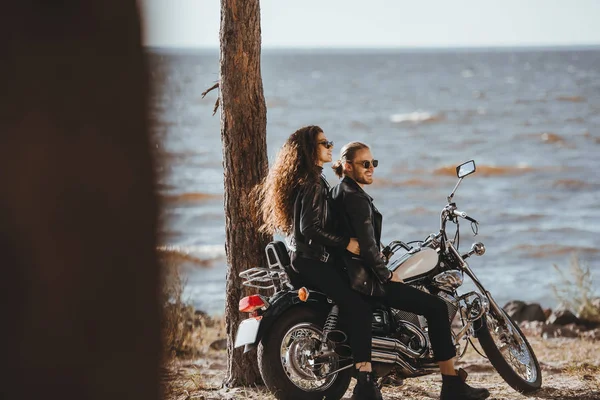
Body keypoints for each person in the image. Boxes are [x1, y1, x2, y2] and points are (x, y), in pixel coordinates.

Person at [330, 142, 491, 400]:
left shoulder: (339, 191)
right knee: (436, 308)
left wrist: (382, 256)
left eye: (374, 163)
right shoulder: (356, 198)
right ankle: (451, 384)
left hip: (350, 274)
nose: (371, 168)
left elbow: (360, 240)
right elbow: (367, 245)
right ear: (348, 166)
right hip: (365, 279)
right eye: (365, 164)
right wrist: (385, 273)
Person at [256, 126, 385, 400]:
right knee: (359, 308)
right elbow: (310, 228)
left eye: (329, 142)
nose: (329, 147)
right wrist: (346, 243)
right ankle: (364, 383)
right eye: (323, 143)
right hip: (311, 262)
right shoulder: (313, 183)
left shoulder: (312, 179)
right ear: (309, 149)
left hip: (307, 260)